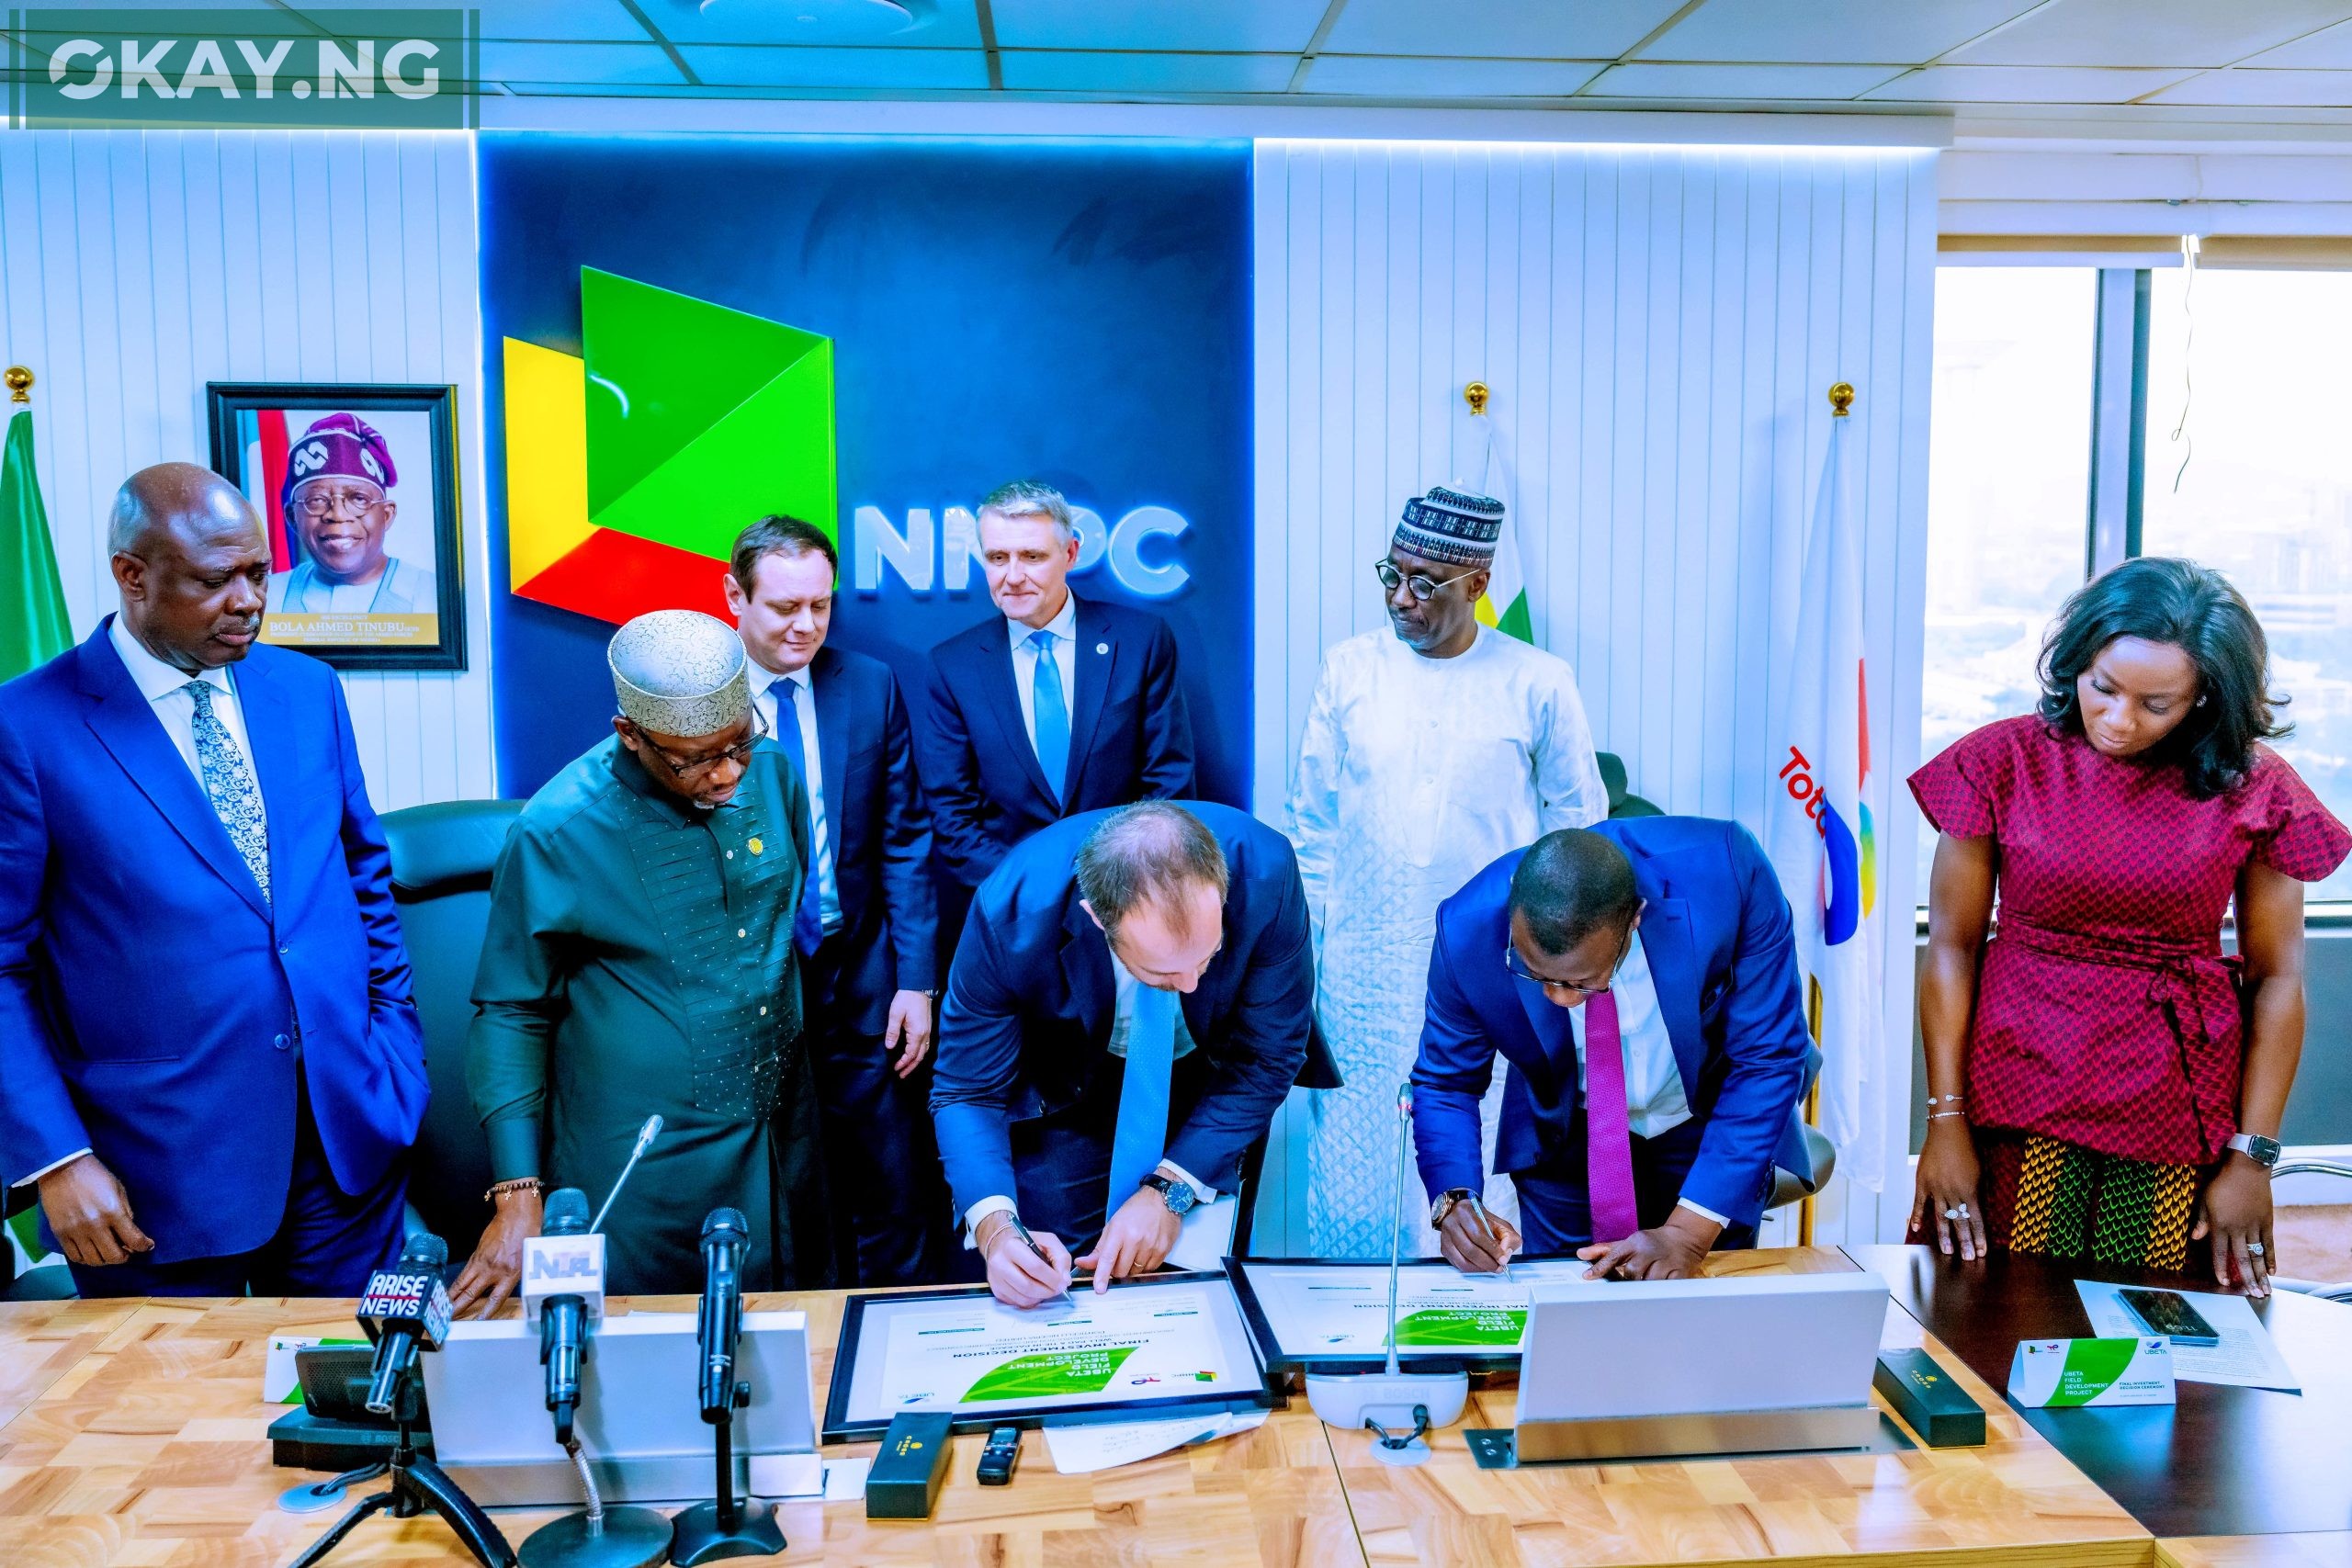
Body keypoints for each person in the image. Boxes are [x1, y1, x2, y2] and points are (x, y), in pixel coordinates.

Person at [0, 462, 426, 1296]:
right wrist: (56, 1156)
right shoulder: (26, 727)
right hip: (154, 1179)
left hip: (346, 1146)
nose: (249, 600)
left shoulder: (307, 690)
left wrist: (394, 1056)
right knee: (177, 1425)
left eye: (259, 572)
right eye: (213, 579)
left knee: (356, 1413)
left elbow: (363, 878)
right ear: (132, 574)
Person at [1911, 558, 2348, 1293]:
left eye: (2156, 703)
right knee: (1989, 1315)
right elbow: (1952, 947)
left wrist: (2253, 1155)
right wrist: (1945, 1120)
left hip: (2170, 1105)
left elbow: (2279, 978)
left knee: (2152, 1346)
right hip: (2015, 1093)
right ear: (2076, 661)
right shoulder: (2003, 759)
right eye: (2102, 687)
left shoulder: (2254, 786)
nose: (2117, 719)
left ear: (2205, 695)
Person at [453, 609, 829, 1311]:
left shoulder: (770, 773)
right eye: (696, 759)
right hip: (642, 1166)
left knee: (791, 1354)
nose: (727, 775)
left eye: (738, 743)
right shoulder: (558, 828)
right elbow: (510, 1012)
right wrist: (516, 1194)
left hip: (782, 1138)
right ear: (631, 734)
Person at [1288, 484, 1606, 1257]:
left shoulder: (1537, 680)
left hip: (1490, 975)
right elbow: (1312, 833)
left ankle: (1481, 1360)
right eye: (1390, 575)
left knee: (1482, 1173)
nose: (1402, 597)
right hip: (1362, 977)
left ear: (1479, 585)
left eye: (1425, 583)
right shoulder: (1349, 670)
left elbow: (1580, 830)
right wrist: (1308, 971)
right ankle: (1354, 1350)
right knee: (1358, 1190)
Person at [932, 801, 1318, 1308]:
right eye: (1162, 974)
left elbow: (1267, 1057)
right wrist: (997, 1232)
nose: (1191, 983)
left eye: (1207, 956)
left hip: (1217, 1077)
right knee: (1057, 1286)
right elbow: (968, 1090)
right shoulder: (1012, 912)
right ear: (1097, 916)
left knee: (1198, 1295)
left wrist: (1172, 1189)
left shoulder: (1266, 871)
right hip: (1069, 1084)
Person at [1412, 821, 1815, 1280]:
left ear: (1634, 920)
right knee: (1568, 1319)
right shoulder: (1465, 929)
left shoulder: (1727, 872)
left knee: (1699, 1322)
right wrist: (1454, 1198)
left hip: (1708, 1130)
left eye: (1579, 984)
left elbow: (1768, 1058)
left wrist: (1687, 1233)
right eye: (1535, 975)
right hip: (1564, 1141)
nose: (1561, 1000)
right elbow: (1445, 1083)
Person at [723, 514, 950, 1286]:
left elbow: (904, 839)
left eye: (820, 605)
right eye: (785, 607)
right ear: (735, 598)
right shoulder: (696, 696)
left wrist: (917, 981)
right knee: (774, 1187)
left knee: (893, 1186)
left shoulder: (870, 684)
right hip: (752, 983)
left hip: (864, 981)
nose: (806, 624)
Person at [918, 480, 1193, 891]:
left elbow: (1168, 786)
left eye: (1032, 556)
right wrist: (1040, 890)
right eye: (997, 557)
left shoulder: (1141, 642)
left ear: (1070, 554)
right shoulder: (953, 666)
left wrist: (1110, 889)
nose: (1013, 576)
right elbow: (953, 818)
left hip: (1127, 899)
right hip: (1013, 908)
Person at [264, 412, 437, 615]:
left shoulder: (434, 596)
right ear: (293, 518)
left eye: (359, 499)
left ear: (386, 515)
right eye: (317, 500)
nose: (337, 515)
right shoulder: (265, 598)